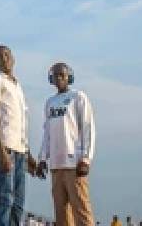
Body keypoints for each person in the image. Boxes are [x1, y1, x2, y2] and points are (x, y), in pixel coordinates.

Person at [34, 63, 96, 226]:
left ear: (69, 77)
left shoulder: (78, 96)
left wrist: (86, 158)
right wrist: (42, 159)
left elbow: (88, 128)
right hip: (56, 165)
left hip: (74, 164)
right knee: (61, 214)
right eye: (56, 75)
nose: (59, 78)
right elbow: (47, 132)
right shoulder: (50, 102)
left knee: (81, 210)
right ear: (51, 79)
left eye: (63, 74)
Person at [0, 46, 36, 226]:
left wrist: (28, 155)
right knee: (4, 198)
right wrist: (1, 151)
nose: (4, 59)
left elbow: (20, 124)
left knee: (18, 203)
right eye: (0, 57)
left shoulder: (18, 87)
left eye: (7, 55)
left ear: (13, 59)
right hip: (5, 146)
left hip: (21, 151)